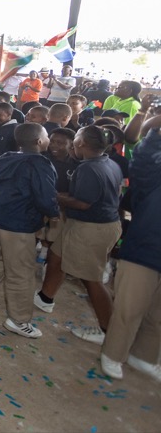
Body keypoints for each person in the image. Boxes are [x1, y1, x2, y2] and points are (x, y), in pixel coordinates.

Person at [36, 125, 124, 345]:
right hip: (84, 224)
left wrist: (55, 196)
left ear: (81, 143)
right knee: (57, 256)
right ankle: (45, 298)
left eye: (76, 137)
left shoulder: (88, 169)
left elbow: (82, 203)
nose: (74, 140)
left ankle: (108, 331)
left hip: (92, 228)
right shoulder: (107, 162)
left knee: (91, 279)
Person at [99, 111, 161, 381]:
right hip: (146, 249)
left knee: (158, 313)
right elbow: (141, 146)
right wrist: (154, 119)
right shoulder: (153, 172)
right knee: (130, 308)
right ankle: (113, 354)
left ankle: (144, 355)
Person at [0, 123, 59, 339]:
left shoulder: (7, 157)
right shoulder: (40, 164)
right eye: (46, 136)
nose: (48, 140)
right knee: (21, 272)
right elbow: (45, 195)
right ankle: (19, 320)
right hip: (19, 224)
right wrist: (52, 212)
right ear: (38, 141)